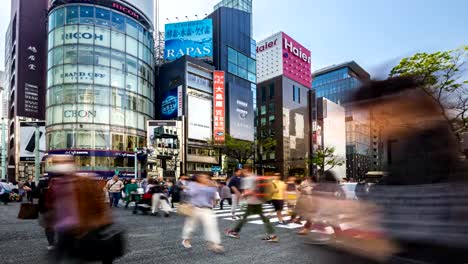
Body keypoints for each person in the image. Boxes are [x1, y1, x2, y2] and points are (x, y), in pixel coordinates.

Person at [48, 155, 115, 263]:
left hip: (83, 226)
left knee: (85, 254)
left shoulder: (84, 181)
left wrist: (102, 220)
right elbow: (54, 205)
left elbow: (99, 202)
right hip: (65, 228)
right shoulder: (56, 184)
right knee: (68, 256)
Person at [226, 165, 279, 242]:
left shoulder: (247, 179)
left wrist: (242, 195)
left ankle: (235, 231)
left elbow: (250, 191)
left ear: (246, 170)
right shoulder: (256, 177)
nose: (242, 172)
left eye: (243, 170)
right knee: (262, 217)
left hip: (252, 201)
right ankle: (272, 235)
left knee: (244, 217)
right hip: (259, 200)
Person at [182, 174, 224, 253]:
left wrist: (214, 187)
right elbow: (191, 193)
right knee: (190, 227)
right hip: (195, 208)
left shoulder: (209, 186)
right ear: (198, 178)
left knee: (211, 225)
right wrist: (201, 186)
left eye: (206, 177)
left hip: (207, 208)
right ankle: (186, 240)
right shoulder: (193, 184)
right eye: (203, 177)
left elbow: (213, 195)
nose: (205, 178)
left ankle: (214, 243)